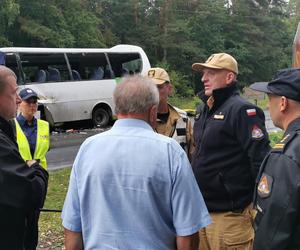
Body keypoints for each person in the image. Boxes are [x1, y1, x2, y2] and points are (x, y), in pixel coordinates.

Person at [62, 75, 211, 250]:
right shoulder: (171, 152)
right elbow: (188, 232)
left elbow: (72, 227)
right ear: (153, 111)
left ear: (117, 109)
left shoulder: (88, 149)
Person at [191, 53, 270, 250]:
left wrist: (256, 207)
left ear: (229, 77)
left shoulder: (242, 111)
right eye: (203, 73)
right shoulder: (203, 110)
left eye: (211, 73)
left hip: (230, 218)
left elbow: (260, 161)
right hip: (201, 214)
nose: (203, 78)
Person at [250, 68, 300, 250]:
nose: (268, 104)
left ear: (283, 103)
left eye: (270, 98)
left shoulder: (286, 156)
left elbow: (273, 232)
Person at [0, 65, 48, 250]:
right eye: (13, 93)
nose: (19, 99)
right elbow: (31, 192)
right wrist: (36, 169)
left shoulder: (41, 126)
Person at [14, 88, 50, 250]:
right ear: (19, 103)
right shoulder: (11, 126)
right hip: (19, 178)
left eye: (35, 102)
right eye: (28, 101)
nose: (32, 105)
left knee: (34, 220)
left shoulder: (44, 126)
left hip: (38, 178)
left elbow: (43, 152)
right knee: (19, 221)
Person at [147, 67, 194, 159]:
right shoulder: (139, 120)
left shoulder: (182, 119)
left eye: (158, 87)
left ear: (169, 89)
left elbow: (192, 153)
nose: (153, 92)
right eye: (149, 88)